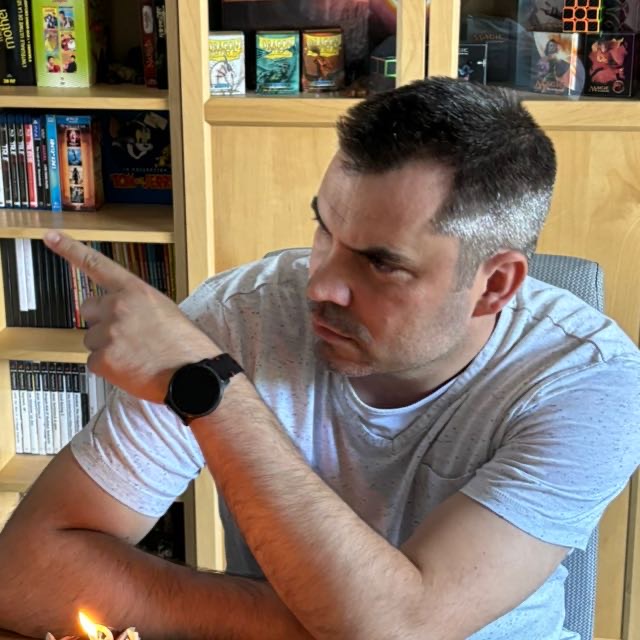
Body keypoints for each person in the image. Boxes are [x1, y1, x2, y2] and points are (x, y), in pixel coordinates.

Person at [0, 77, 639, 640]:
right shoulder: (237, 317)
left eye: (381, 263)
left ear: (495, 285)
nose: (321, 285)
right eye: (325, 231)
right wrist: (335, 624)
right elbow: (26, 572)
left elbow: (402, 629)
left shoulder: (592, 381)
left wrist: (217, 393)